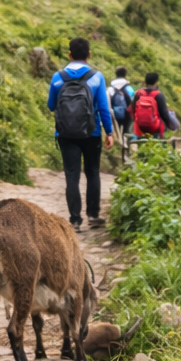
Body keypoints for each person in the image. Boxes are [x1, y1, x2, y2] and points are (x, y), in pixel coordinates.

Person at [48, 37, 114, 231]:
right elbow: (103, 107)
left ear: (69, 55)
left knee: (72, 175)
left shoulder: (57, 77)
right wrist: (108, 132)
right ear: (89, 54)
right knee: (93, 172)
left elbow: (51, 105)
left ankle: (75, 220)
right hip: (91, 133)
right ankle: (93, 215)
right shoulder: (97, 77)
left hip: (66, 133)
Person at [130, 72, 169, 140]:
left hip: (140, 127)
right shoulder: (159, 95)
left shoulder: (138, 94)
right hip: (155, 128)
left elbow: (132, 110)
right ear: (156, 82)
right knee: (163, 126)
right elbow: (164, 115)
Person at [108, 66, 135, 151]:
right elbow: (133, 101)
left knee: (116, 130)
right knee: (127, 131)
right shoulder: (129, 88)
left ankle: (118, 146)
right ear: (125, 75)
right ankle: (127, 148)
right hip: (127, 114)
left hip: (115, 113)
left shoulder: (111, 88)